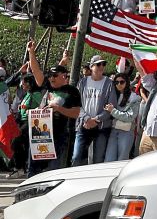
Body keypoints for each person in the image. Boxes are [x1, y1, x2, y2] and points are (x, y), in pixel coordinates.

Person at [26, 40, 82, 174]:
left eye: (55, 76)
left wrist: (59, 109)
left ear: (64, 76)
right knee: (33, 169)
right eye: (50, 75)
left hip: (60, 135)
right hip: (40, 134)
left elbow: (76, 113)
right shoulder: (47, 86)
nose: (51, 78)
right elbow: (36, 71)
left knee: (54, 171)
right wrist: (31, 52)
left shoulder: (72, 91)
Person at [73, 55, 119, 165]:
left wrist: (96, 119)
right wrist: (87, 119)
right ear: (91, 66)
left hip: (101, 126)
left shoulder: (109, 83)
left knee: (98, 159)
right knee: (76, 157)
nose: (101, 66)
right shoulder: (82, 82)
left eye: (103, 64)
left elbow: (111, 106)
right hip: (84, 124)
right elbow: (76, 104)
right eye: (98, 64)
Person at [103, 74, 140, 161]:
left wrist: (113, 111)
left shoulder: (134, 97)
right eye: (116, 82)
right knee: (109, 160)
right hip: (113, 130)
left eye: (122, 82)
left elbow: (130, 117)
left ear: (127, 82)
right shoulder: (112, 95)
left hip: (126, 132)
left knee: (122, 159)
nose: (119, 84)